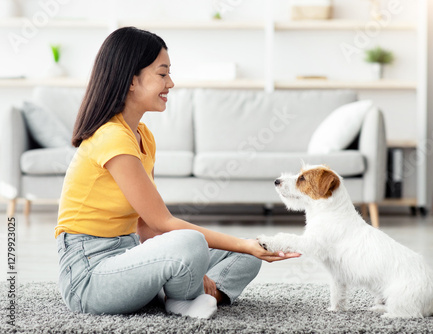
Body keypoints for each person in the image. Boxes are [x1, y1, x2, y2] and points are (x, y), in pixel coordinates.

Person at [55, 26, 300, 320]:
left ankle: (186, 292)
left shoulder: (142, 136)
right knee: (192, 242)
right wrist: (198, 255)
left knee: (244, 257)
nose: (170, 83)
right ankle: (183, 298)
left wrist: (243, 248)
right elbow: (163, 221)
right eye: (162, 73)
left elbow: (146, 226)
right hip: (90, 277)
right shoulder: (112, 137)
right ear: (132, 80)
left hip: (130, 254)